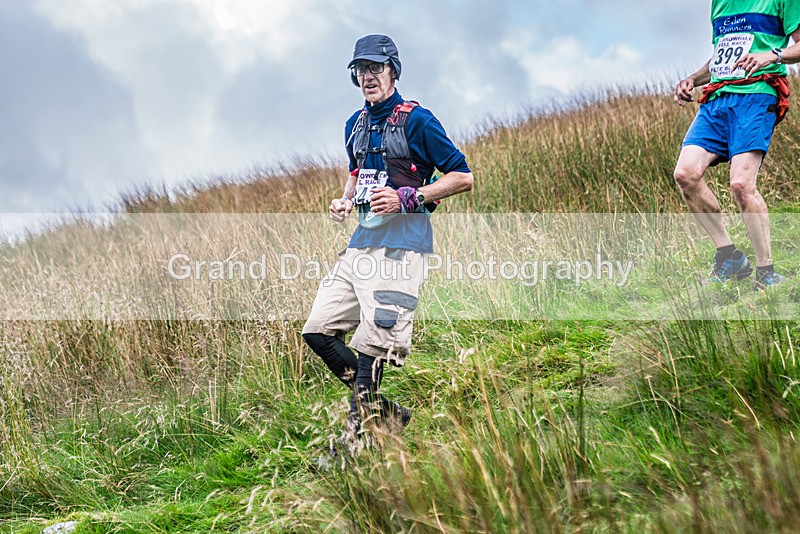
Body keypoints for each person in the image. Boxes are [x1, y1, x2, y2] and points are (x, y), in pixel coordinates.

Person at [302, 35, 473, 451]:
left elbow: (463, 177)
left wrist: (407, 197)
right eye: (360, 70)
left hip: (403, 245)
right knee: (318, 331)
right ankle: (384, 413)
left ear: (393, 70)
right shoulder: (354, 125)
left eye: (375, 68)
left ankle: (355, 444)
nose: (367, 77)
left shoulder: (420, 121)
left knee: (373, 343)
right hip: (360, 245)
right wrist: (344, 200)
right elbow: (357, 174)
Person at [673, 0, 800, 290]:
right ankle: (729, 257)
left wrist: (772, 55)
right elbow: (720, 55)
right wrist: (693, 78)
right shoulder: (720, 4)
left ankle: (766, 273)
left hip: (756, 96)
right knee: (685, 174)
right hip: (717, 101)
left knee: (742, 184)